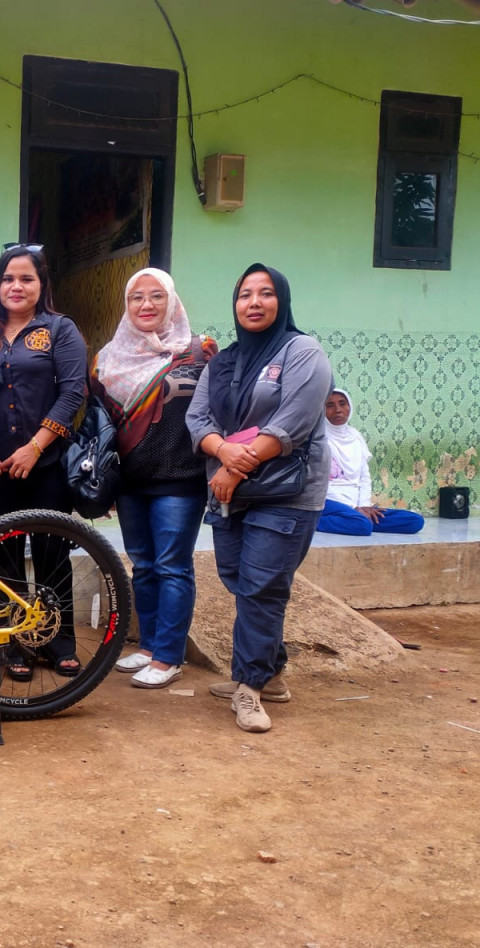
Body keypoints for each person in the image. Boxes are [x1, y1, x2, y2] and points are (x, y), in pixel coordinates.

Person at [186, 263, 333, 733]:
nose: (253, 302)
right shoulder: (223, 361)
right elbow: (197, 419)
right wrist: (221, 449)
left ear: (281, 301)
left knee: (261, 588)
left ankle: (248, 687)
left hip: (287, 492)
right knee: (237, 577)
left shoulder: (302, 351)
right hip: (233, 490)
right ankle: (270, 672)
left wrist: (231, 465)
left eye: (265, 293)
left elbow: (294, 421)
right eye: (244, 294)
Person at [92, 268, 217, 689]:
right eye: (137, 298)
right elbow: (101, 422)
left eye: (156, 296)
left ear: (172, 302)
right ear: (127, 306)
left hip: (180, 480)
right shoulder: (108, 358)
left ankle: (169, 656)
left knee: (172, 566)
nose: (146, 305)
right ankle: (148, 646)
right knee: (142, 565)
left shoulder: (199, 353)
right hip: (130, 480)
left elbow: (217, 413)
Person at [0, 244, 86, 681]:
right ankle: (13, 643)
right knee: (4, 557)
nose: (16, 287)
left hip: (47, 465)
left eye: (26, 279)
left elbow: (73, 393)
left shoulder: (59, 330)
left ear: (41, 285)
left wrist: (36, 446)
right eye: (7, 278)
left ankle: (58, 641)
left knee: (51, 553)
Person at [318, 388, 425, 536]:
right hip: (327, 501)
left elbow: (364, 476)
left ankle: (352, 520)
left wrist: (364, 506)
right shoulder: (318, 439)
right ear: (322, 410)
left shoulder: (355, 437)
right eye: (330, 405)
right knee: (362, 525)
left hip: (356, 504)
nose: (338, 410)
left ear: (349, 406)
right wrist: (352, 507)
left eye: (342, 404)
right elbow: (317, 483)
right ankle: (313, 522)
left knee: (414, 521)